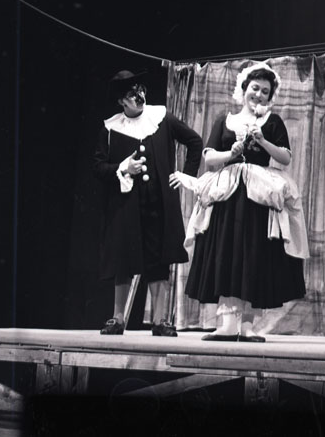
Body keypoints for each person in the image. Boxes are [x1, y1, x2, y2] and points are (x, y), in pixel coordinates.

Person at [172, 62, 309, 342]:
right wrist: (230, 154)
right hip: (228, 195)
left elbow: (285, 157)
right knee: (227, 252)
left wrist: (263, 141)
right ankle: (227, 324)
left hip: (258, 196)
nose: (259, 94)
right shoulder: (225, 120)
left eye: (265, 91)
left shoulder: (272, 121)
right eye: (255, 88)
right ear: (244, 88)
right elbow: (210, 159)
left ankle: (247, 325)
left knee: (253, 254)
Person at [93, 69, 203, 336]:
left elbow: (194, 141)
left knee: (158, 261)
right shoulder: (111, 128)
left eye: (140, 89)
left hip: (158, 203)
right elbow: (98, 167)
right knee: (123, 259)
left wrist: (186, 175)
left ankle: (160, 320)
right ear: (122, 101)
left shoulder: (161, 117)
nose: (139, 95)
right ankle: (118, 319)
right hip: (126, 205)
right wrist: (123, 167)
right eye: (132, 93)